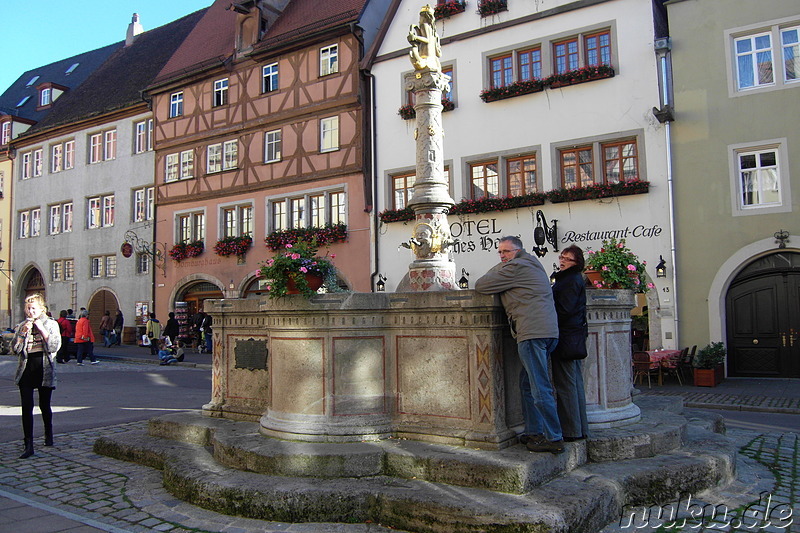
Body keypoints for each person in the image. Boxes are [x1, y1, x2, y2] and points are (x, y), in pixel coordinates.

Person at [475, 236, 564, 454]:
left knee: (539, 386)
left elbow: (481, 285)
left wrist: (501, 265)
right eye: (500, 252)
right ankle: (534, 431)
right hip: (547, 332)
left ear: (518, 251)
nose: (502, 256)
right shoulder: (534, 264)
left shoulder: (516, 266)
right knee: (527, 383)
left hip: (532, 333)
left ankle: (554, 437)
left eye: (505, 251)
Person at [12, 293, 62, 458]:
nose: (30, 311)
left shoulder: (51, 324)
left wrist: (42, 329)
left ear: (41, 308)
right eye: (28, 308)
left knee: (44, 405)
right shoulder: (22, 325)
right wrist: (21, 334)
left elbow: (54, 347)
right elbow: (15, 350)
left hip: (43, 368)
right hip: (26, 369)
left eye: (33, 308)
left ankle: (48, 433)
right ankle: (28, 445)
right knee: (26, 407)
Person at [550, 245, 590, 442]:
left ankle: (571, 431)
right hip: (574, 337)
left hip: (566, 338)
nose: (562, 260)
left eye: (567, 258)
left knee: (565, 385)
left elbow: (564, 311)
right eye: (562, 256)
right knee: (575, 383)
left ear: (576, 263)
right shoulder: (575, 279)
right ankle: (581, 428)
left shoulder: (568, 280)